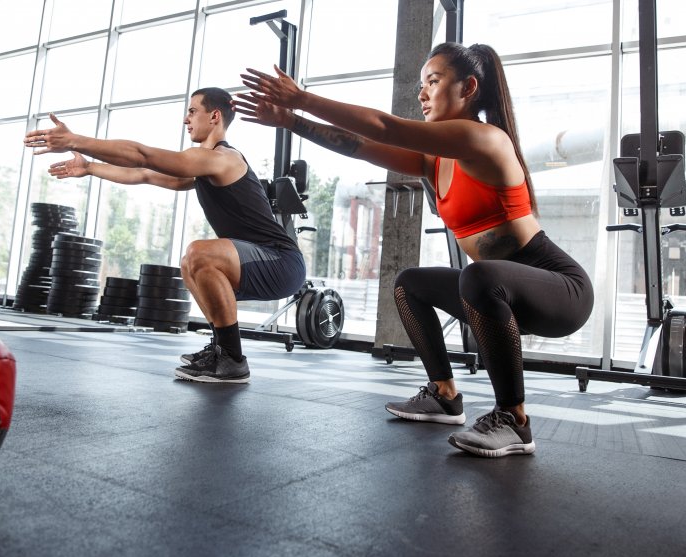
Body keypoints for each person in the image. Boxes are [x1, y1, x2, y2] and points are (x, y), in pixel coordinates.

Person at [236, 43, 593, 457]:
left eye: (434, 82)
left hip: (560, 289)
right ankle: (444, 394)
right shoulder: (436, 159)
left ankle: (514, 419)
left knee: (477, 275)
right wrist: (290, 121)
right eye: (420, 84)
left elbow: (384, 127)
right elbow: (359, 144)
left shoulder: (485, 139)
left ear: (469, 88)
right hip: (498, 292)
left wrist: (302, 98)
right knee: (411, 283)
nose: (421, 94)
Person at [24, 87, 306, 384]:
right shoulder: (204, 165)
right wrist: (91, 167)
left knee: (200, 252)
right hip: (258, 262)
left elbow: (142, 156)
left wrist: (75, 140)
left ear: (214, 116)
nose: (186, 119)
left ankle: (233, 360)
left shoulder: (224, 158)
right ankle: (221, 349)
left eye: (192, 111)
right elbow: (143, 173)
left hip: (281, 263)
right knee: (189, 263)